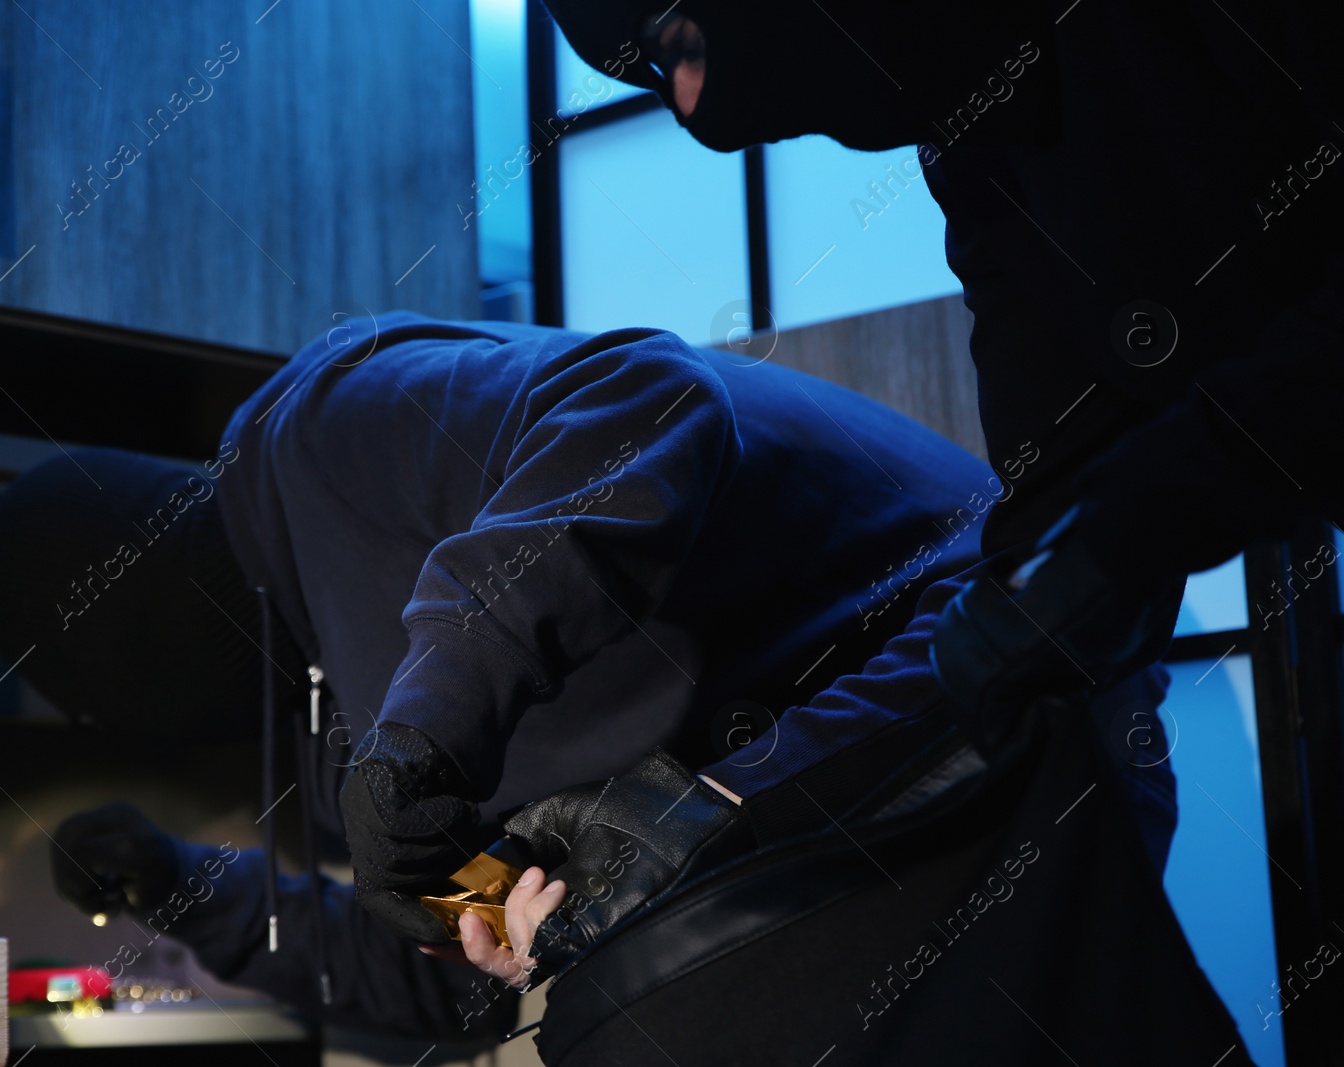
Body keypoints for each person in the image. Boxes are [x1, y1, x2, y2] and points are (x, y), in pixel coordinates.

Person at [486, 0, 1344, 975]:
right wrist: (718, 812)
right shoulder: (982, 157)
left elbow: (1126, 508)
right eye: (648, 81)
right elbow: (1048, 522)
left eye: (683, 46)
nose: (691, 113)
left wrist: (1159, 503)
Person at [0, 311, 1006, 1039]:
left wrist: (433, 722)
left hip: (960, 623)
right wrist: (186, 888)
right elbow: (450, 987)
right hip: (798, 794)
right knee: (614, 1015)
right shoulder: (326, 727)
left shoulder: (326, 430)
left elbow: (647, 403)